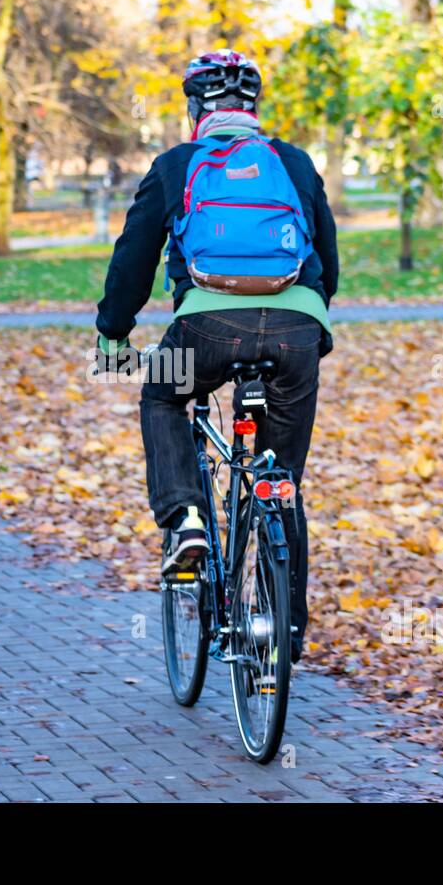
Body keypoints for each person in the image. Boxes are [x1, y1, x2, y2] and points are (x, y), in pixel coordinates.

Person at [94, 49, 339, 664]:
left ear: (195, 108)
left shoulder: (176, 165)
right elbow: (327, 260)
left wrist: (113, 334)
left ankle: (186, 520)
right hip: (296, 331)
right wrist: (312, 322)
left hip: (205, 328)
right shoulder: (295, 163)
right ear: (254, 108)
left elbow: (133, 261)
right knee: (280, 482)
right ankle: (285, 633)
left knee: (162, 392)